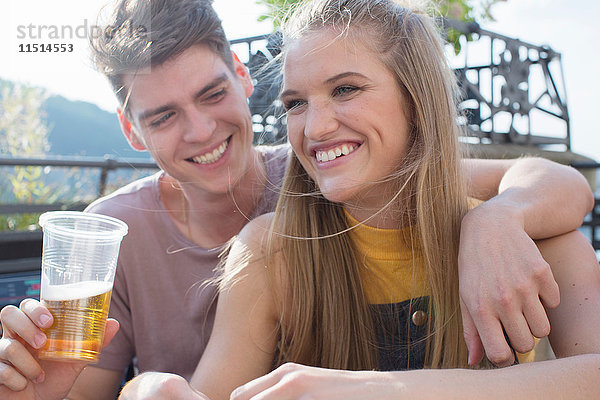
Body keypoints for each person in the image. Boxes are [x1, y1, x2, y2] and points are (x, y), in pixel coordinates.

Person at [0, 0, 594, 398]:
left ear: (240, 76)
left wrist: (500, 216)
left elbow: (550, 181)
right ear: (133, 133)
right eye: (295, 105)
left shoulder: (331, 175)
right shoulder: (251, 251)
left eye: (347, 89)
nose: (317, 126)